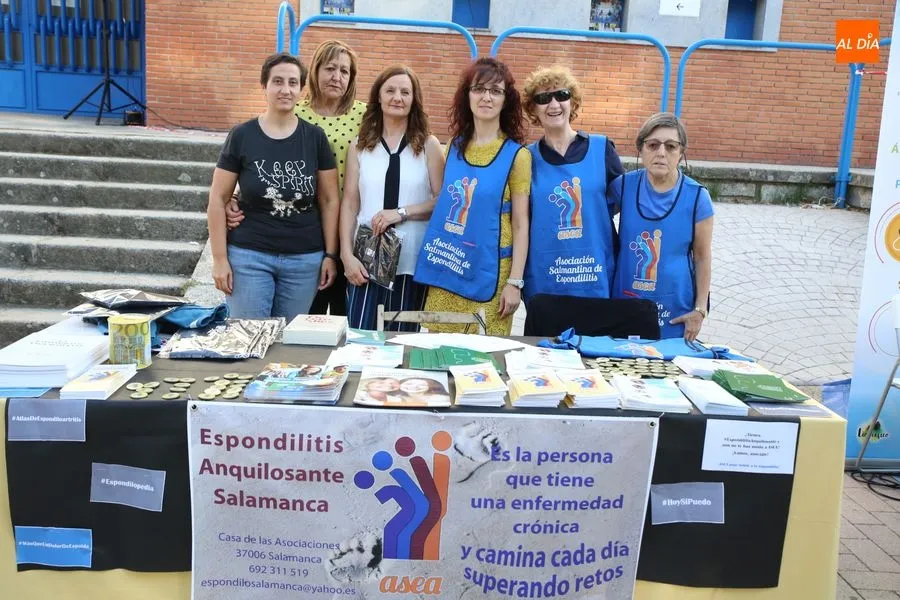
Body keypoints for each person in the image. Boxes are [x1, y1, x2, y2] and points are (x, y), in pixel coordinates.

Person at [227, 40, 366, 317]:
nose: (336, 77)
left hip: (351, 226)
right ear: (314, 72)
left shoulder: (365, 116)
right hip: (306, 228)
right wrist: (233, 196)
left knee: (343, 315)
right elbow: (259, 159)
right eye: (329, 69)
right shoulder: (294, 111)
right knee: (305, 315)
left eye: (344, 71)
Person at [207, 52, 339, 321]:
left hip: (304, 260)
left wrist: (330, 255)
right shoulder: (242, 135)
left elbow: (329, 201)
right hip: (248, 257)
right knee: (246, 339)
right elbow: (218, 199)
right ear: (264, 86)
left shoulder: (315, 138)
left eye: (293, 83)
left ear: (301, 90)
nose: (285, 89)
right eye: (277, 81)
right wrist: (220, 259)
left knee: (288, 346)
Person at [413, 57, 531, 336]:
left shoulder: (518, 155)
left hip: (491, 273)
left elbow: (520, 223)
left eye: (495, 91)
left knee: (483, 363)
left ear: (506, 100)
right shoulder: (453, 146)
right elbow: (442, 202)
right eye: (478, 89)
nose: (486, 97)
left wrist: (515, 282)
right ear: (467, 96)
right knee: (439, 355)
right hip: (449, 265)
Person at [340, 65, 444, 331]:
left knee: (403, 342)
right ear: (378, 97)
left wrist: (401, 212)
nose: (397, 97)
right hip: (367, 259)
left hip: (412, 260)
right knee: (361, 338)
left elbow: (441, 201)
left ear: (414, 99)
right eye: (390, 90)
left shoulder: (428, 145)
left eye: (405, 92)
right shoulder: (360, 145)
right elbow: (350, 203)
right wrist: (346, 255)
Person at [521, 65, 624, 303]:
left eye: (562, 95)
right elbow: (519, 221)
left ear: (573, 102)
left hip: (595, 274)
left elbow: (624, 205)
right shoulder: (525, 159)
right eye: (544, 98)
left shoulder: (602, 149)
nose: (554, 104)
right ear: (533, 109)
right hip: (546, 279)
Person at [609, 112, 714, 341]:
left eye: (671, 146)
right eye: (653, 145)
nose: (661, 153)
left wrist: (699, 310)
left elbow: (703, 257)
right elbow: (594, 223)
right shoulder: (623, 187)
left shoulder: (697, 198)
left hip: (676, 313)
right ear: (641, 149)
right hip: (626, 305)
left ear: (681, 152)